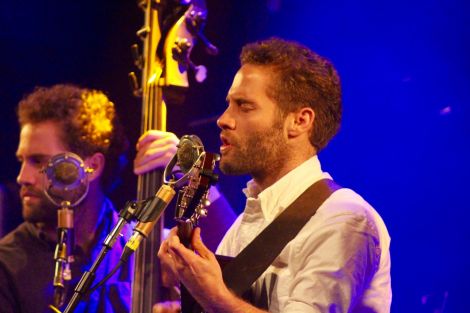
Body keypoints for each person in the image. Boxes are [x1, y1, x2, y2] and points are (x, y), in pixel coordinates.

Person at [157, 37, 392, 313]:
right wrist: (188, 290)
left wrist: (213, 297)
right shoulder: (245, 224)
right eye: (229, 104)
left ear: (299, 121)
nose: (223, 119)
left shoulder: (344, 219)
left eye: (244, 106)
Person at [0, 84, 234, 313]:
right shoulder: (7, 264)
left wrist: (193, 176)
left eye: (39, 161)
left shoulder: (152, 247)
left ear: (91, 166)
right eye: (22, 161)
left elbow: (236, 258)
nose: (22, 177)